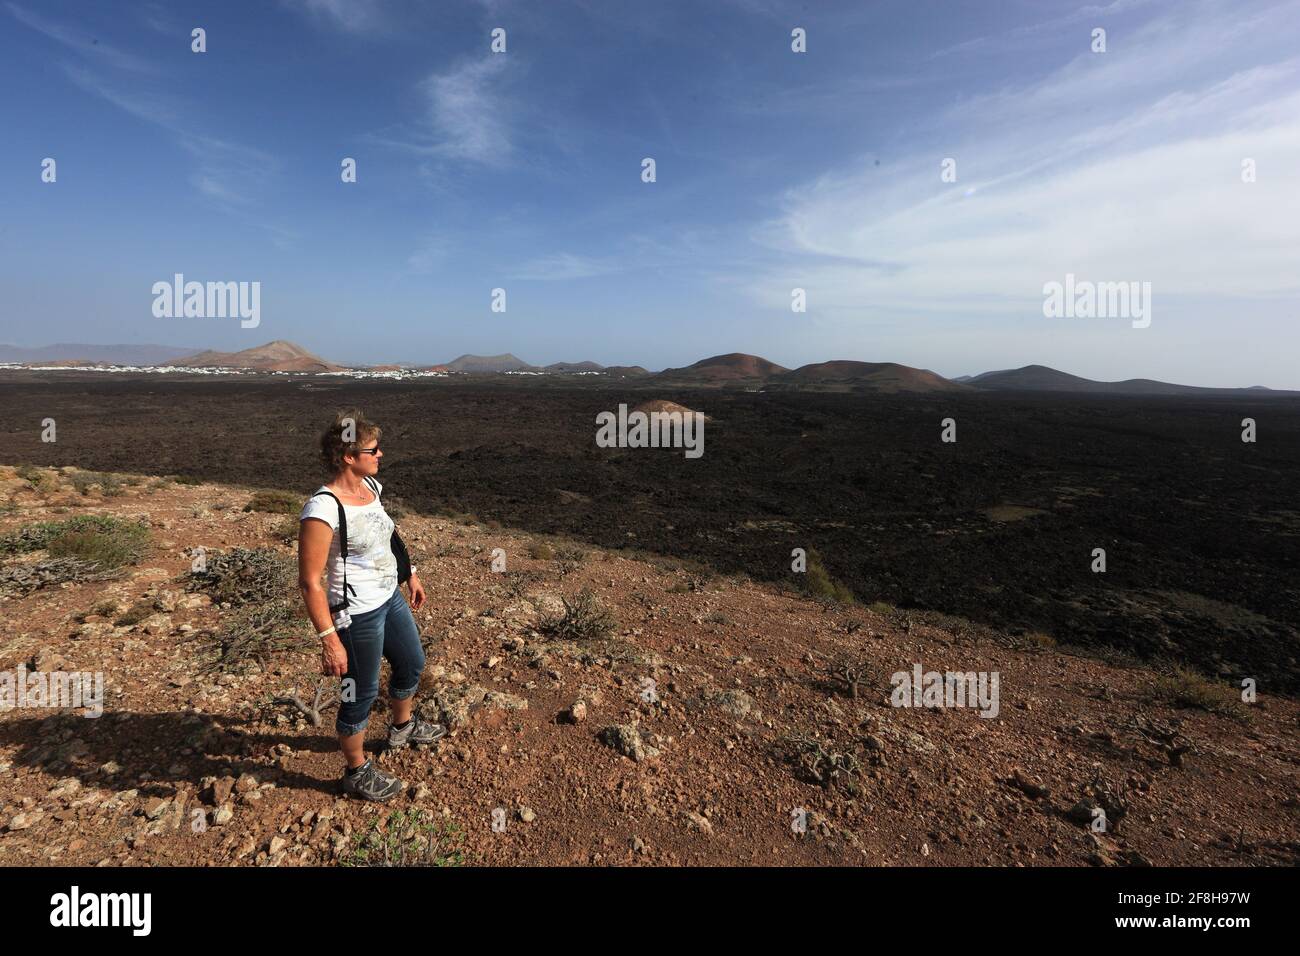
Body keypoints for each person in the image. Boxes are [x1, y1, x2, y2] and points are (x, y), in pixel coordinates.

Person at [297, 409, 445, 801]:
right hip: (354, 612)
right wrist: (329, 638)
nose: (381, 454)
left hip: (388, 598)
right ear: (348, 456)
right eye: (373, 449)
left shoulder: (372, 490)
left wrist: (408, 572)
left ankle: (402, 727)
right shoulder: (324, 508)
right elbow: (310, 581)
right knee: (358, 692)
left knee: (412, 661)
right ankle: (355, 770)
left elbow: (389, 535)